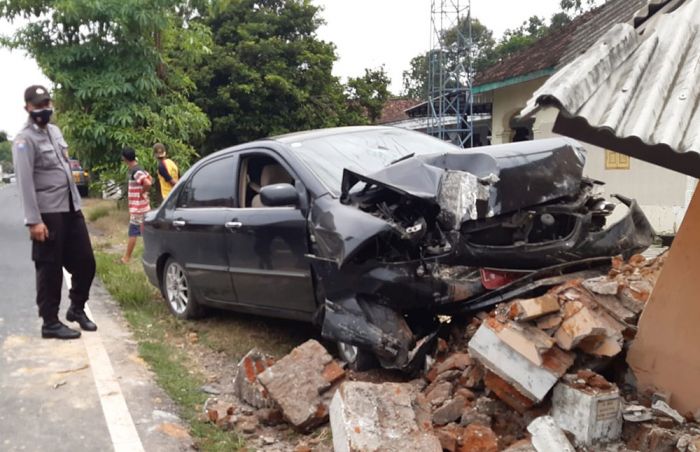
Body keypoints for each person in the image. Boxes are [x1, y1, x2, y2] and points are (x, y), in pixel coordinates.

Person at [12, 85, 97, 339]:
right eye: (38, 105)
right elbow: (25, 183)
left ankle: (77, 308)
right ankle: (50, 322)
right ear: (27, 107)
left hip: (71, 206)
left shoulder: (55, 132)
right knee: (49, 268)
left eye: (46, 103)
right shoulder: (23, 140)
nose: (43, 109)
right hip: (47, 213)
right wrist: (33, 221)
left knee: (86, 262)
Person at [121, 147, 152, 264]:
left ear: (124, 159)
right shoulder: (140, 169)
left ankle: (126, 258)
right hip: (144, 206)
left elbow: (148, 182)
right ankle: (149, 256)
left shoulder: (135, 171)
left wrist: (142, 192)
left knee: (133, 233)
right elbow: (150, 178)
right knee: (145, 233)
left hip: (138, 208)